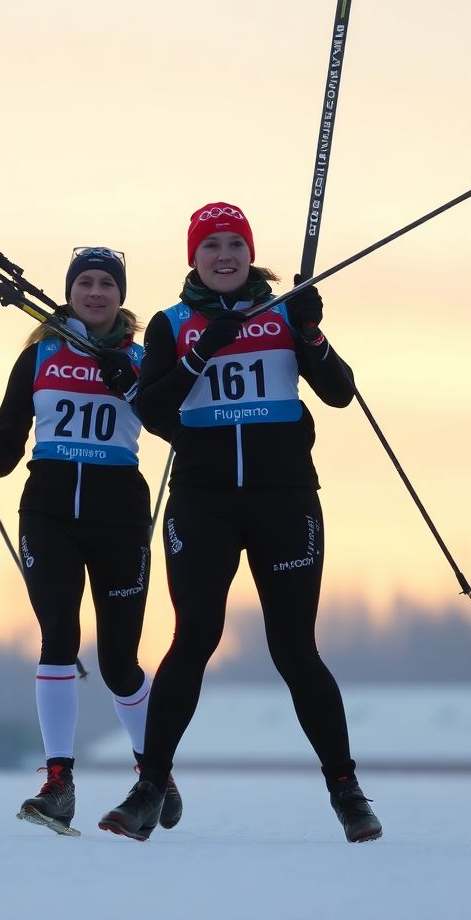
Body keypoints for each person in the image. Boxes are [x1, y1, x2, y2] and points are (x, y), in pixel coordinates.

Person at [98, 203, 382, 843]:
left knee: (295, 649)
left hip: (284, 499)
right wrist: (202, 353)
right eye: (211, 245)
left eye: (235, 244)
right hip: (205, 502)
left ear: (250, 254)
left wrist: (311, 335)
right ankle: (149, 788)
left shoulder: (283, 312)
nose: (224, 256)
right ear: (193, 257)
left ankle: (346, 790)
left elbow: (340, 392)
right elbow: (152, 411)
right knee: (194, 637)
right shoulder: (172, 324)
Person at [0, 247, 181, 835]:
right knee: (58, 637)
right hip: (48, 514)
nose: (96, 293)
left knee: (120, 663)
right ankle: (58, 783)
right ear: (70, 292)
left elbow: (173, 424)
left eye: (106, 284)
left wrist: (138, 384)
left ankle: (155, 775)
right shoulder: (40, 355)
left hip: (119, 518)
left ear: (120, 296)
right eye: (85, 283)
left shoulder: (141, 357)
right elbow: (3, 455)